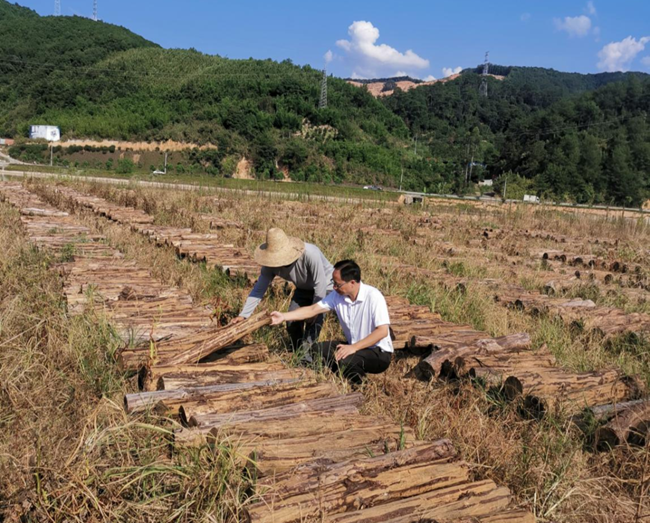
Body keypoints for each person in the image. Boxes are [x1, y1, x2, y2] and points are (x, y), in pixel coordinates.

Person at [271, 259, 393, 384]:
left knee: (345, 360)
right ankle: (341, 376)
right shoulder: (337, 295)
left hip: (378, 352)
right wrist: (283, 316)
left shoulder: (373, 296)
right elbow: (313, 309)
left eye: (338, 284)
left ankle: (362, 385)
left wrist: (353, 347)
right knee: (318, 350)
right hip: (354, 346)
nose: (334, 287)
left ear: (352, 283)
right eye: (333, 283)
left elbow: (382, 331)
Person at [232, 227, 334, 351]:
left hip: (326, 287)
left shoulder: (310, 254)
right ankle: (296, 351)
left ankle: (308, 358)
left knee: (313, 326)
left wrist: (314, 311)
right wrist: (244, 315)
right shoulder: (270, 264)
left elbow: (320, 284)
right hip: (303, 288)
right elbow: (259, 289)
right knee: (292, 322)